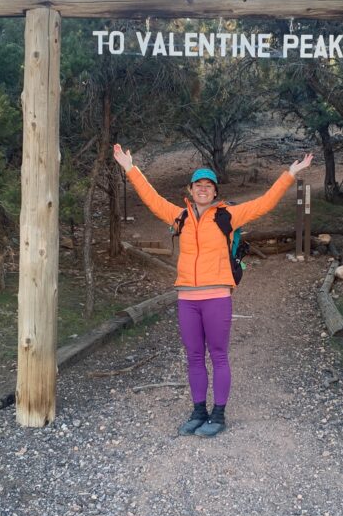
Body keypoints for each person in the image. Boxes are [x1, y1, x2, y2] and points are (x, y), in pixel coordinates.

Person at [113, 143, 313, 436]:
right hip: (187, 299)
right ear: (191, 190)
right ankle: (198, 411)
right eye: (199, 185)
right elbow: (152, 199)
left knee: (218, 355)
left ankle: (218, 415)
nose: (203, 189)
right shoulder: (179, 216)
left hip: (217, 297)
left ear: (215, 191)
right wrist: (131, 168)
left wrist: (289, 174)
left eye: (209, 185)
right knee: (194, 356)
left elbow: (265, 202)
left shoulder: (227, 217)